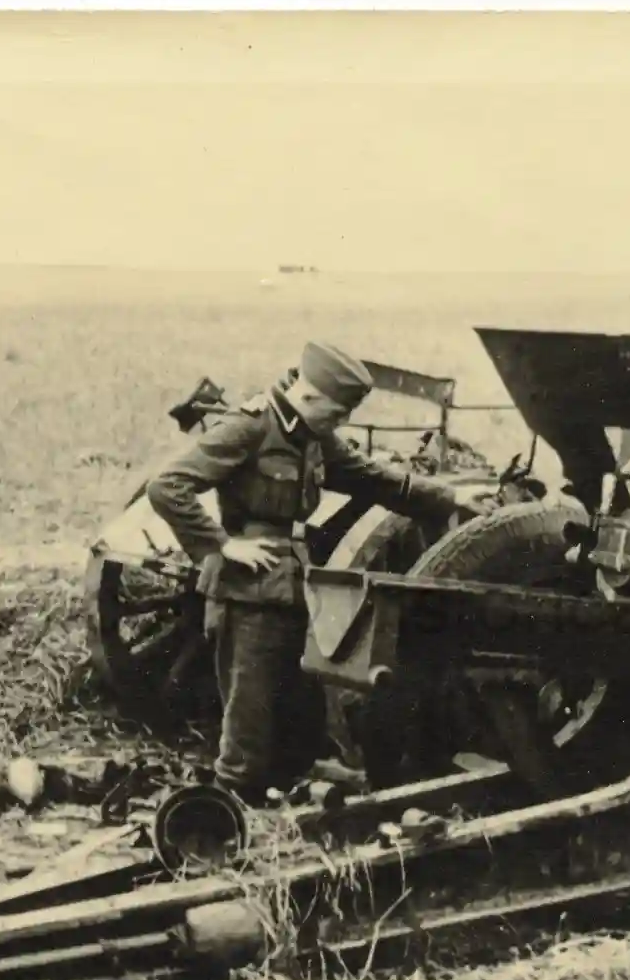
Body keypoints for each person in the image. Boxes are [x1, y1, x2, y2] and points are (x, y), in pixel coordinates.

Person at [146, 341, 485, 805]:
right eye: (337, 412)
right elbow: (167, 486)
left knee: (298, 708)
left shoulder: (310, 436)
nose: (340, 423)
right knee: (250, 714)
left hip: (291, 588)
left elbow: (373, 478)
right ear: (310, 397)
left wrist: (449, 498)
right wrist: (222, 547)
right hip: (248, 595)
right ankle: (227, 815)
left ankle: (287, 800)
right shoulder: (249, 428)